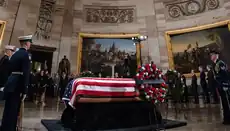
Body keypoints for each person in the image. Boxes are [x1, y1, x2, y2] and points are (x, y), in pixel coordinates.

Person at [0, 35, 32, 131]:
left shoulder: (14, 54)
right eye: (30, 42)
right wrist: (25, 90)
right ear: (26, 43)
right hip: (17, 85)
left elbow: (9, 70)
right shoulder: (26, 55)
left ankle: (4, 127)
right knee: (14, 110)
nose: (30, 44)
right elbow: (26, 73)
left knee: (8, 108)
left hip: (10, 83)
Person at [210, 50, 230, 124]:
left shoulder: (220, 63)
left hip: (224, 86)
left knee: (227, 103)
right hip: (220, 86)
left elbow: (225, 75)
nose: (211, 56)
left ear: (216, 55)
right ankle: (226, 119)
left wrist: (225, 84)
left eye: (212, 55)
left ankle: (228, 119)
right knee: (224, 103)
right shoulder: (214, 64)